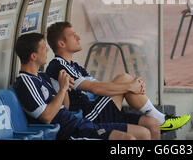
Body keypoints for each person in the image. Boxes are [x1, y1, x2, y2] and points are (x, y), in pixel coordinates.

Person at [45, 21, 191, 136]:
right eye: (73, 35)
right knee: (124, 79)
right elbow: (94, 88)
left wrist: (131, 86)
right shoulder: (58, 65)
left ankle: (158, 118)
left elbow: (99, 86)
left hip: (99, 109)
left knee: (151, 124)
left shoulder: (75, 65)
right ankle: (161, 118)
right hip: (88, 116)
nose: (78, 37)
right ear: (61, 43)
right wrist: (129, 86)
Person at [13, 32, 152, 140]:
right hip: (70, 131)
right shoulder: (25, 82)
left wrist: (65, 87)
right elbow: (47, 117)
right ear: (33, 56)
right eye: (43, 48)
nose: (47, 50)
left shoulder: (42, 77)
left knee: (144, 133)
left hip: (80, 123)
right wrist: (62, 89)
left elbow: (65, 107)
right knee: (127, 139)